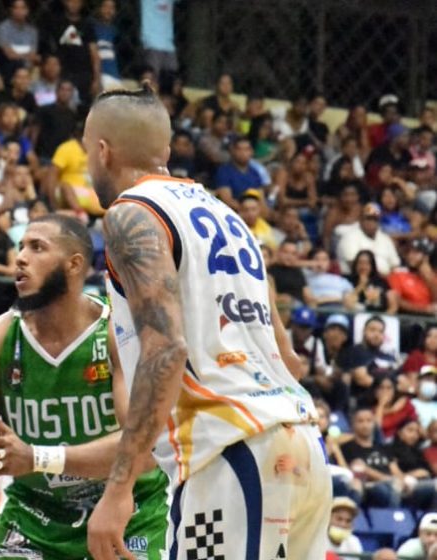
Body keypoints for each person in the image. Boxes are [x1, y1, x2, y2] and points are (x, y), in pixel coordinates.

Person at [82, 85, 329, 559]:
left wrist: (119, 489)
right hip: (300, 446)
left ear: (102, 151)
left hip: (231, 452)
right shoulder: (229, 216)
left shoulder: (131, 213)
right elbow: (290, 359)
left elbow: (168, 350)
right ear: (167, 152)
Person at [0, 215, 169, 560]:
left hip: (128, 508)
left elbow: (142, 446)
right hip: (35, 518)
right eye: (20, 247)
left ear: (74, 264)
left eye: (37, 247)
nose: (21, 257)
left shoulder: (117, 333)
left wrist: (37, 457)